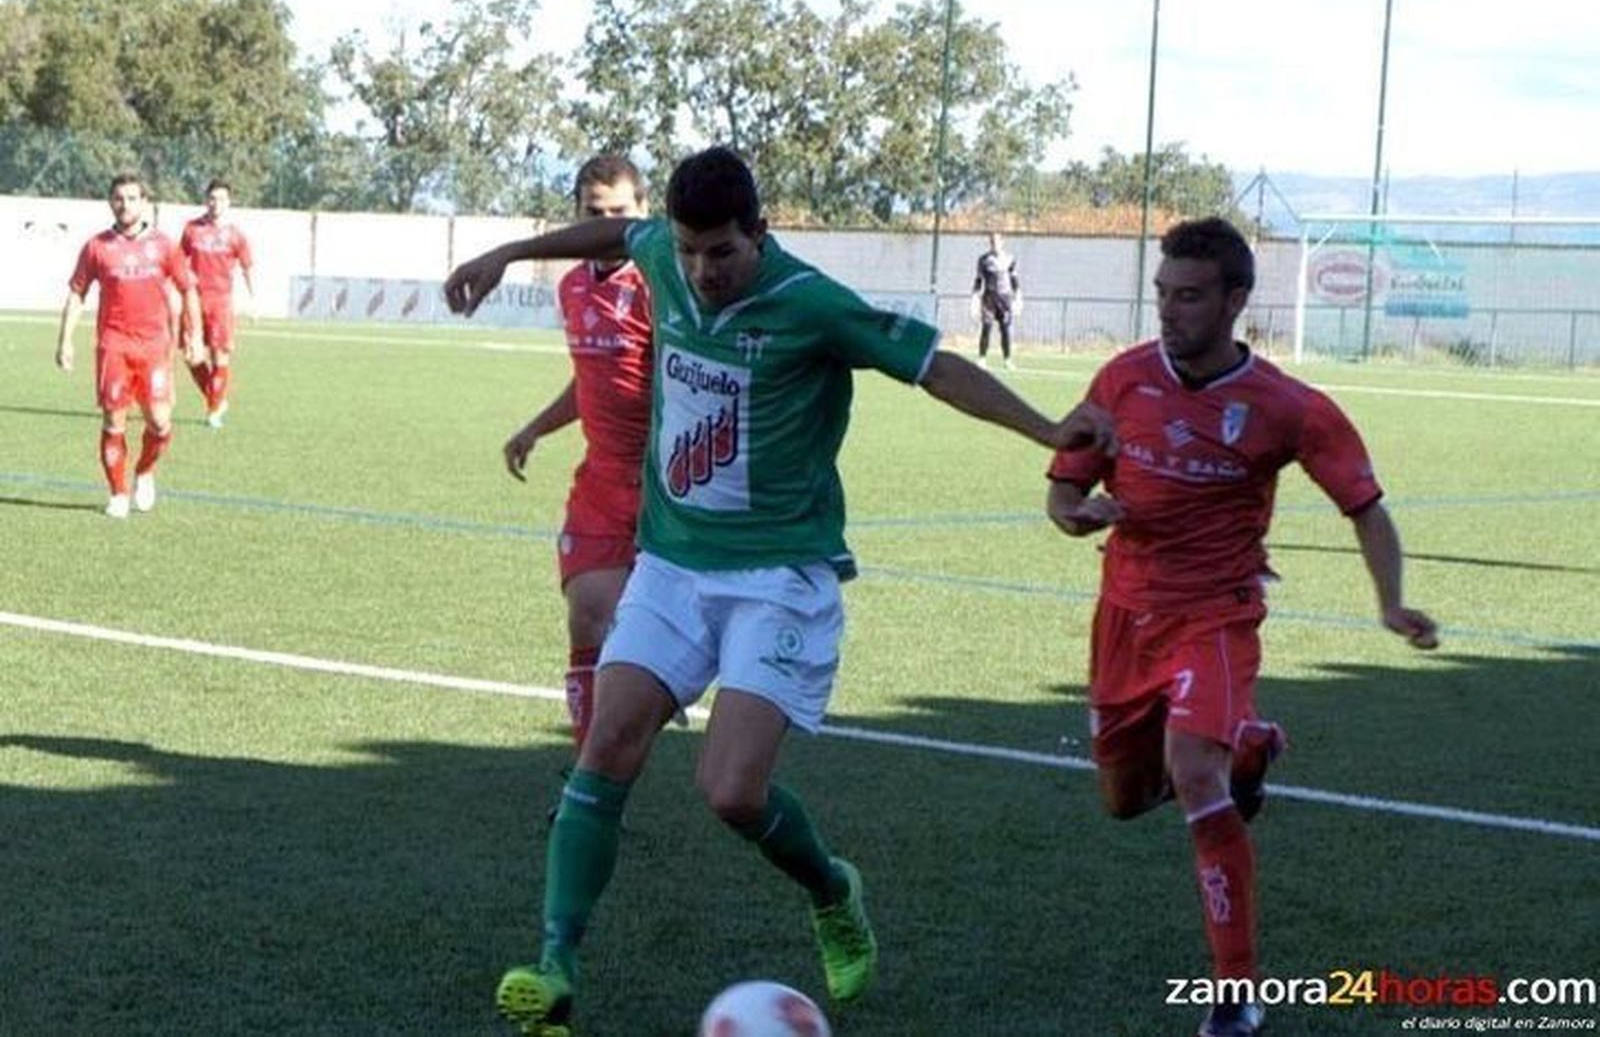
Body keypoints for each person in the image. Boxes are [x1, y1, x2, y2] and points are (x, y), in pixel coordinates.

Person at [445, 146, 1115, 1037]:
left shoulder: (810, 304)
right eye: (687, 251)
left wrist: (1047, 431)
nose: (699, 271)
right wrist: (510, 254)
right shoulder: (663, 261)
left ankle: (834, 891)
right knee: (605, 746)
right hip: (674, 565)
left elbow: (935, 368)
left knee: (731, 792)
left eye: (719, 252)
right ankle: (556, 967)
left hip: (779, 579)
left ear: (760, 234)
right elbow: (618, 230)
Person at [1045, 216, 1438, 1037]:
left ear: (1235, 301)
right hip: (1124, 617)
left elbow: (1365, 508)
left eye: (1189, 297)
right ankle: (1250, 746)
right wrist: (1080, 515)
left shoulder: (1288, 408)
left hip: (1217, 617)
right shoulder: (1119, 380)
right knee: (1123, 801)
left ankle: (1236, 993)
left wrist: (1390, 601)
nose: (1169, 311)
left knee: (1192, 772)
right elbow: (1061, 492)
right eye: (1162, 293)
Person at [500, 154, 653, 751]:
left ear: (644, 211)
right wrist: (536, 427)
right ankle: (587, 775)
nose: (609, 224)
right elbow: (591, 381)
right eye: (596, 214)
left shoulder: (662, 285)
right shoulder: (570, 287)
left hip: (669, 489)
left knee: (654, 636)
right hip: (600, 486)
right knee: (587, 616)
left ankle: (654, 687)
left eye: (620, 212)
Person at [56, 173, 201, 518]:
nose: (125, 204)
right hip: (114, 346)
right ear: (110, 202)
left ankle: (145, 471)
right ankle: (118, 493)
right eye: (119, 198)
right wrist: (65, 341)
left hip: (154, 347)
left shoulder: (164, 245)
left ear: (144, 203)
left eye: (132, 198)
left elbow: (188, 288)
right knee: (114, 421)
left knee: (161, 423)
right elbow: (77, 293)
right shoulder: (96, 246)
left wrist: (193, 336)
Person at [179, 177, 255, 428]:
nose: (216, 204)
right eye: (212, 198)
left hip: (221, 302)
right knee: (192, 355)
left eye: (221, 199)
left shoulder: (236, 235)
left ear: (229, 202)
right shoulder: (192, 229)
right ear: (206, 200)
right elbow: (178, 262)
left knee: (219, 356)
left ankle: (213, 411)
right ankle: (216, 397)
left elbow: (247, 268)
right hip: (194, 302)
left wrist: (254, 300)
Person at [970, 230, 1022, 370]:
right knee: (986, 328)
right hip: (989, 298)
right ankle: (982, 358)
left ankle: (1007, 359)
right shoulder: (984, 259)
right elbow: (979, 279)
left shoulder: (1010, 259)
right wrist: (975, 297)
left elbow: (1014, 279)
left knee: (1005, 329)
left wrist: (1018, 297)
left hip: (1005, 298)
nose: (994, 244)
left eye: (997, 241)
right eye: (992, 241)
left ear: (1002, 242)